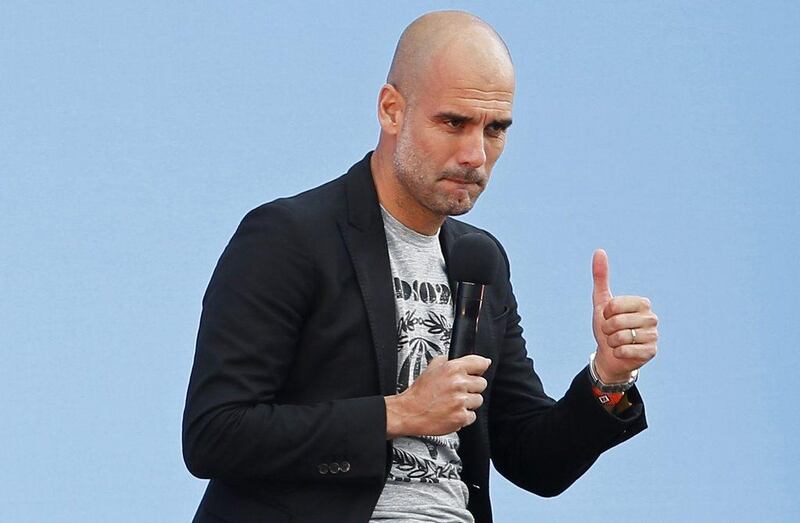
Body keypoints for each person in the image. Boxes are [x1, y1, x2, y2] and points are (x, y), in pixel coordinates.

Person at [182, 10, 658, 523]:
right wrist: (398, 413)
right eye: (454, 122)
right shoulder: (289, 238)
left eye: (495, 129)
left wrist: (608, 377)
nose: (475, 154)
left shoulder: (482, 260)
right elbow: (215, 433)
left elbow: (533, 460)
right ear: (391, 110)